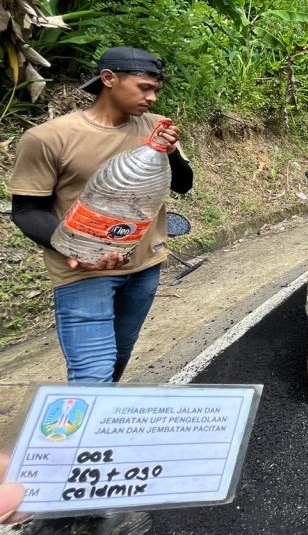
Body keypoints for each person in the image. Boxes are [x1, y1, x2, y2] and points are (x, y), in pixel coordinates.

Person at [9, 47, 193, 384]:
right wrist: (73, 251)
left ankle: (97, 428)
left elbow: (183, 184)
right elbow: (26, 210)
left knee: (120, 355)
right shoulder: (48, 138)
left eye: (156, 90)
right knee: (93, 372)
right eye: (143, 88)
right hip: (82, 273)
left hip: (144, 268)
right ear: (108, 79)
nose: (152, 98)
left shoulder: (157, 127)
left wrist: (171, 154)